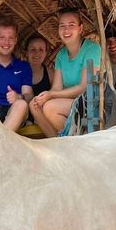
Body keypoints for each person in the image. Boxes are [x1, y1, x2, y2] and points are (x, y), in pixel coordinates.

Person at [29, 8, 101, 137]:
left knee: (50, 108)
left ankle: (75, 141)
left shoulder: (92, 49)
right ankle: (57, 141)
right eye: (62, 26)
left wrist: (51, 95)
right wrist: (45, 96)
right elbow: (57, 87)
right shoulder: (61, 55)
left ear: (80, 28)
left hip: (90, 102)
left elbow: (84, 87)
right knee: (35, 106)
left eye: (71, 25)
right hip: (70, 102)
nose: (66, 30)